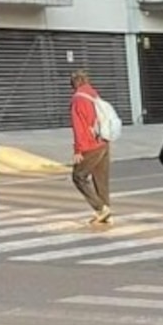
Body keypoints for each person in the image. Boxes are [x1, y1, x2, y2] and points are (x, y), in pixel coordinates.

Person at [69, 70, 112, 225]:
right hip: (104, 141)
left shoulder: (78, 99)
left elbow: (78, 127)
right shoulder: (94, 95)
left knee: (78, 176)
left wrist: (78, 150)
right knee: (101, 179)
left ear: (73, 83)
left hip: (90, 144)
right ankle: (106, 212)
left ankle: (100, 208)